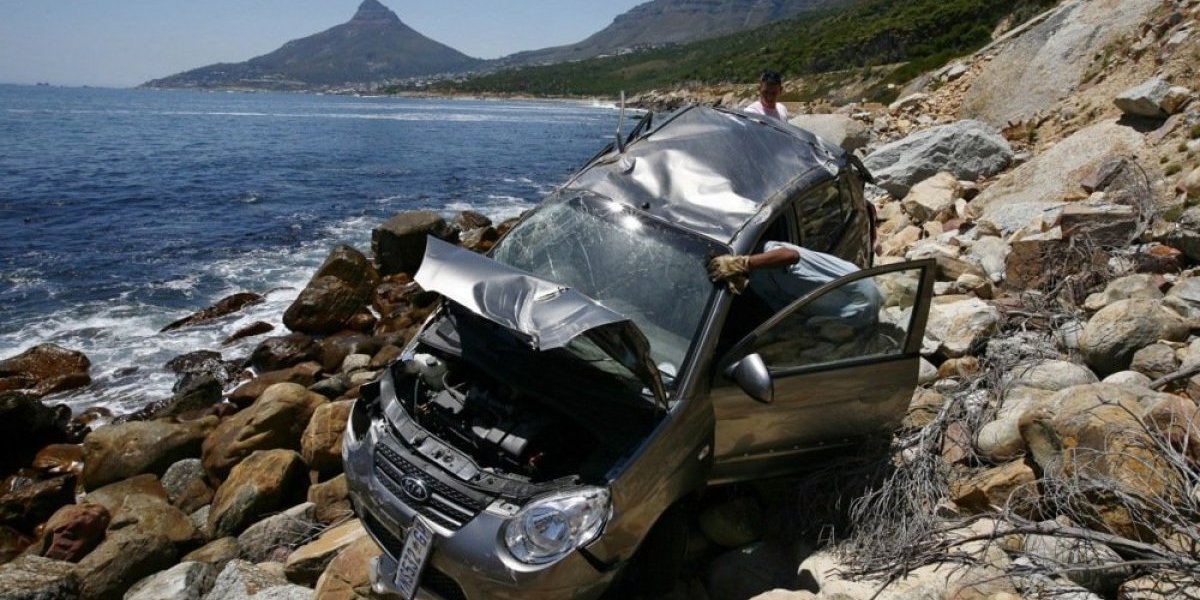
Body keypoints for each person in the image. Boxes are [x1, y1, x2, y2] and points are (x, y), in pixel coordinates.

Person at [708, 241, 881, 328]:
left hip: (855, 290)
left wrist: (743, 263)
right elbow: (786, 312)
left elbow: (792, 256)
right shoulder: (756, 284)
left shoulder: (765, 251)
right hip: (843, 311)